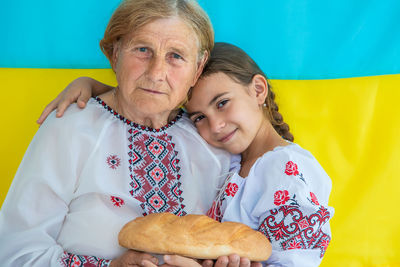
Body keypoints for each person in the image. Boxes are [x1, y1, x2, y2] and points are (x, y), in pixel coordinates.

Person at [0, 1, 259, 266]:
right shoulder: (71, 129)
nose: (157, 73)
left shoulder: (212, 137)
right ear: (114, 54)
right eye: (143, 49)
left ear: (199, 66)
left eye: (176, 56)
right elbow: (15, 251)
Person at [38, 42, 334, 267]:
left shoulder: (287, 171)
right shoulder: (233, 157)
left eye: (222, 103)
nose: (216, 125)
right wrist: (91, 86)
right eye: (199, 117)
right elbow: (152, 106)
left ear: (258, 90)